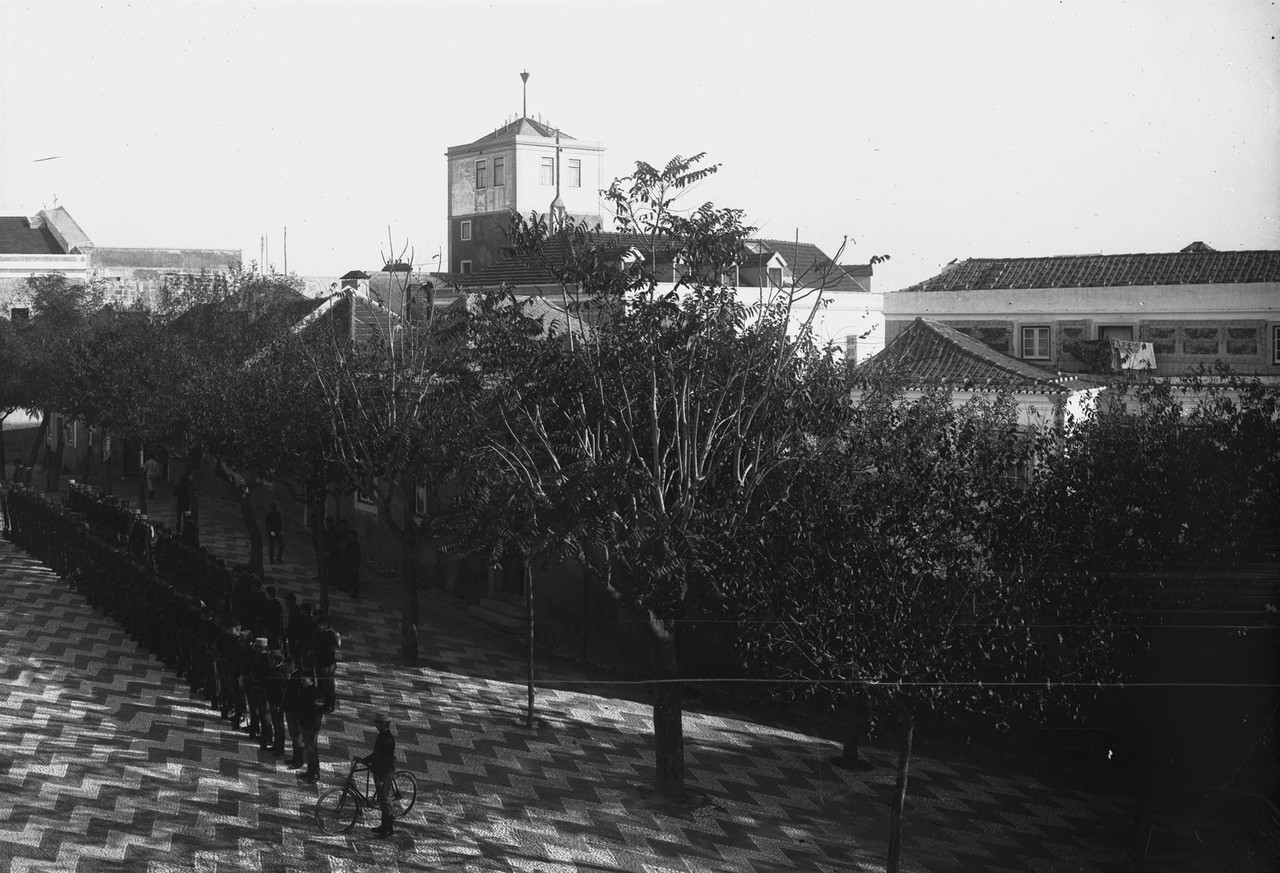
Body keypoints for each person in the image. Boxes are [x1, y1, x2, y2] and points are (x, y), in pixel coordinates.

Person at [356, 712, 397, 837]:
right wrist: (363, 760)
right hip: (379, 772)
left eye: (377, 723)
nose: (376, 725)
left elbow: (385, 761)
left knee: (385, 800)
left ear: (384, 724)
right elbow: (376, 754)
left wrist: (380, 775)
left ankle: (388, 828)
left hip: (383, 774)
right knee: (382, 800)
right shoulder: (381, 736)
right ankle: (383, 826)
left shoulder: (388, 739)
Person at [297, 673, 326, 783]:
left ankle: (315, 773)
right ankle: (310, 771)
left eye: (304, 680)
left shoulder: (317, 693)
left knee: (312, 749)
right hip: (305, 724)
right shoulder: (304, 690)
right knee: (308, 750)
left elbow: (318, 713)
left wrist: (313, 727)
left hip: (312, 726)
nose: (302, 682)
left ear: (311, 680)